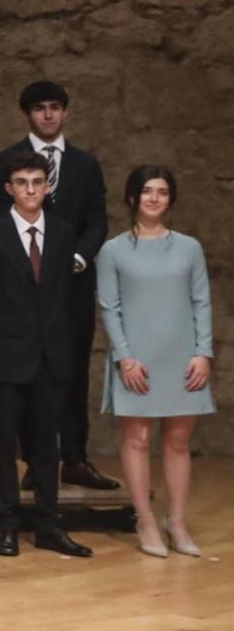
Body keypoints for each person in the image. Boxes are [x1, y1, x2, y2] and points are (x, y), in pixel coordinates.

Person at [0, 80, 117, 490]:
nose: (48, 114)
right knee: (25, 373)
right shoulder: (3, 161)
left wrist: (76, 257)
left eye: (56, 107)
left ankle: (75, 457)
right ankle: (35, 461)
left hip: (72, 286)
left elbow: (97, 220)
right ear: (26, 113)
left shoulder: (84, 164)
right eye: (40, 108)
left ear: (65, 112)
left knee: (72, 371)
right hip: (21, 290)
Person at [0, 150, 93, 558]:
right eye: (21, 182)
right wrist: (3, 337)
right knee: (4, 447)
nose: (29, 190)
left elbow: (65, 295)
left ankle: (47, 525)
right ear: (9, 189)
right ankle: (6, 526)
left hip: (51, 356)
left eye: (37, 182)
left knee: (47, 448)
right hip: (7, 355)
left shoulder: (62, 234)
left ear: (48, 186)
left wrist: (55, 341)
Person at [97, 166, 215, 558]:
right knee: (138, 438)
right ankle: (145, 518)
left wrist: (203, 352)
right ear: (133, 197)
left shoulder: (189, 247)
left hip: (182, 356)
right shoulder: (113, 250)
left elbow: (201, 301)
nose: (154, 198)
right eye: (146, 191)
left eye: (162, 192)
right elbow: (109, 307)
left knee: (178, 442)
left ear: (170, 199)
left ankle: (176, 521)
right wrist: (125, 358)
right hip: (137, 358)